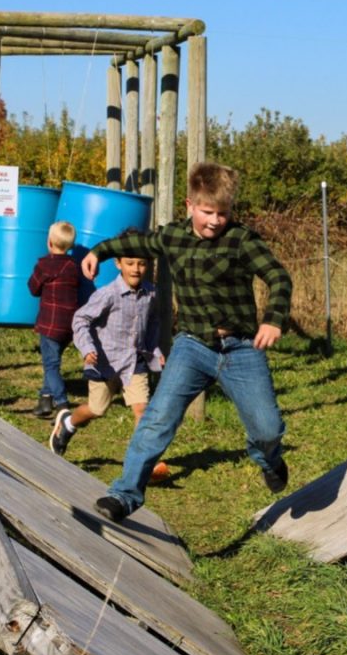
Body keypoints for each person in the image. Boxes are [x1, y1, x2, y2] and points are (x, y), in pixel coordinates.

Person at [85, 163, 293, 524]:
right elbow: (137, 242)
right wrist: (99, 251)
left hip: (241, 348)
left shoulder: (242, 240)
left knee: (267, 429)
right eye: (207, 212)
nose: (215, 221)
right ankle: (124, 494)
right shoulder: (173, 237)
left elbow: (277, 275)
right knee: (156, 420)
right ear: (190, 205)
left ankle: (268, 460)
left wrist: (273, 317)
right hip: (193, 347)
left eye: (222, 213)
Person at [51, 247, 165, 465]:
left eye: (141, 264)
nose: (136, 269)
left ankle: (141, 463)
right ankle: (68, 423)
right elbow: (80, 319)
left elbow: (152, 324)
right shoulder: (108, 294)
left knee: (142, 409)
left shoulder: (150, 293)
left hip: (134, 362)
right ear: (118, 263)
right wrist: (87, 348)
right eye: (130, 263)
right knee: (96, 409)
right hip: (105, 362)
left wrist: (155, 350)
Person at [24, 220, 93, 418]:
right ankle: (45, 399)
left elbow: (33, 288)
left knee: (51, 365)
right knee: (53, 360)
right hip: (69, 326)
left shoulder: (44, 265)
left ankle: (62, 404)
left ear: (49, 242)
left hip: (50, 324)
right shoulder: (73, 265)